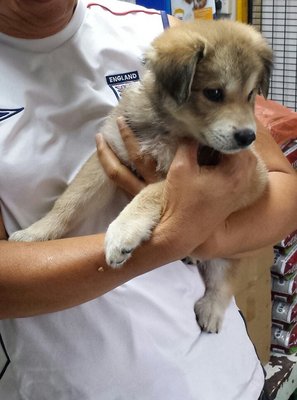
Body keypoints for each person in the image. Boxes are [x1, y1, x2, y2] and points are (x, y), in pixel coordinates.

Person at [0, 0, 296, 399]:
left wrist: (207, 235)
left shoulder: (153, 27)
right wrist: (173, 236)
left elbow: (280, 187)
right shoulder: (175, 58)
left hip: (223, 378)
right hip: (70, 384)